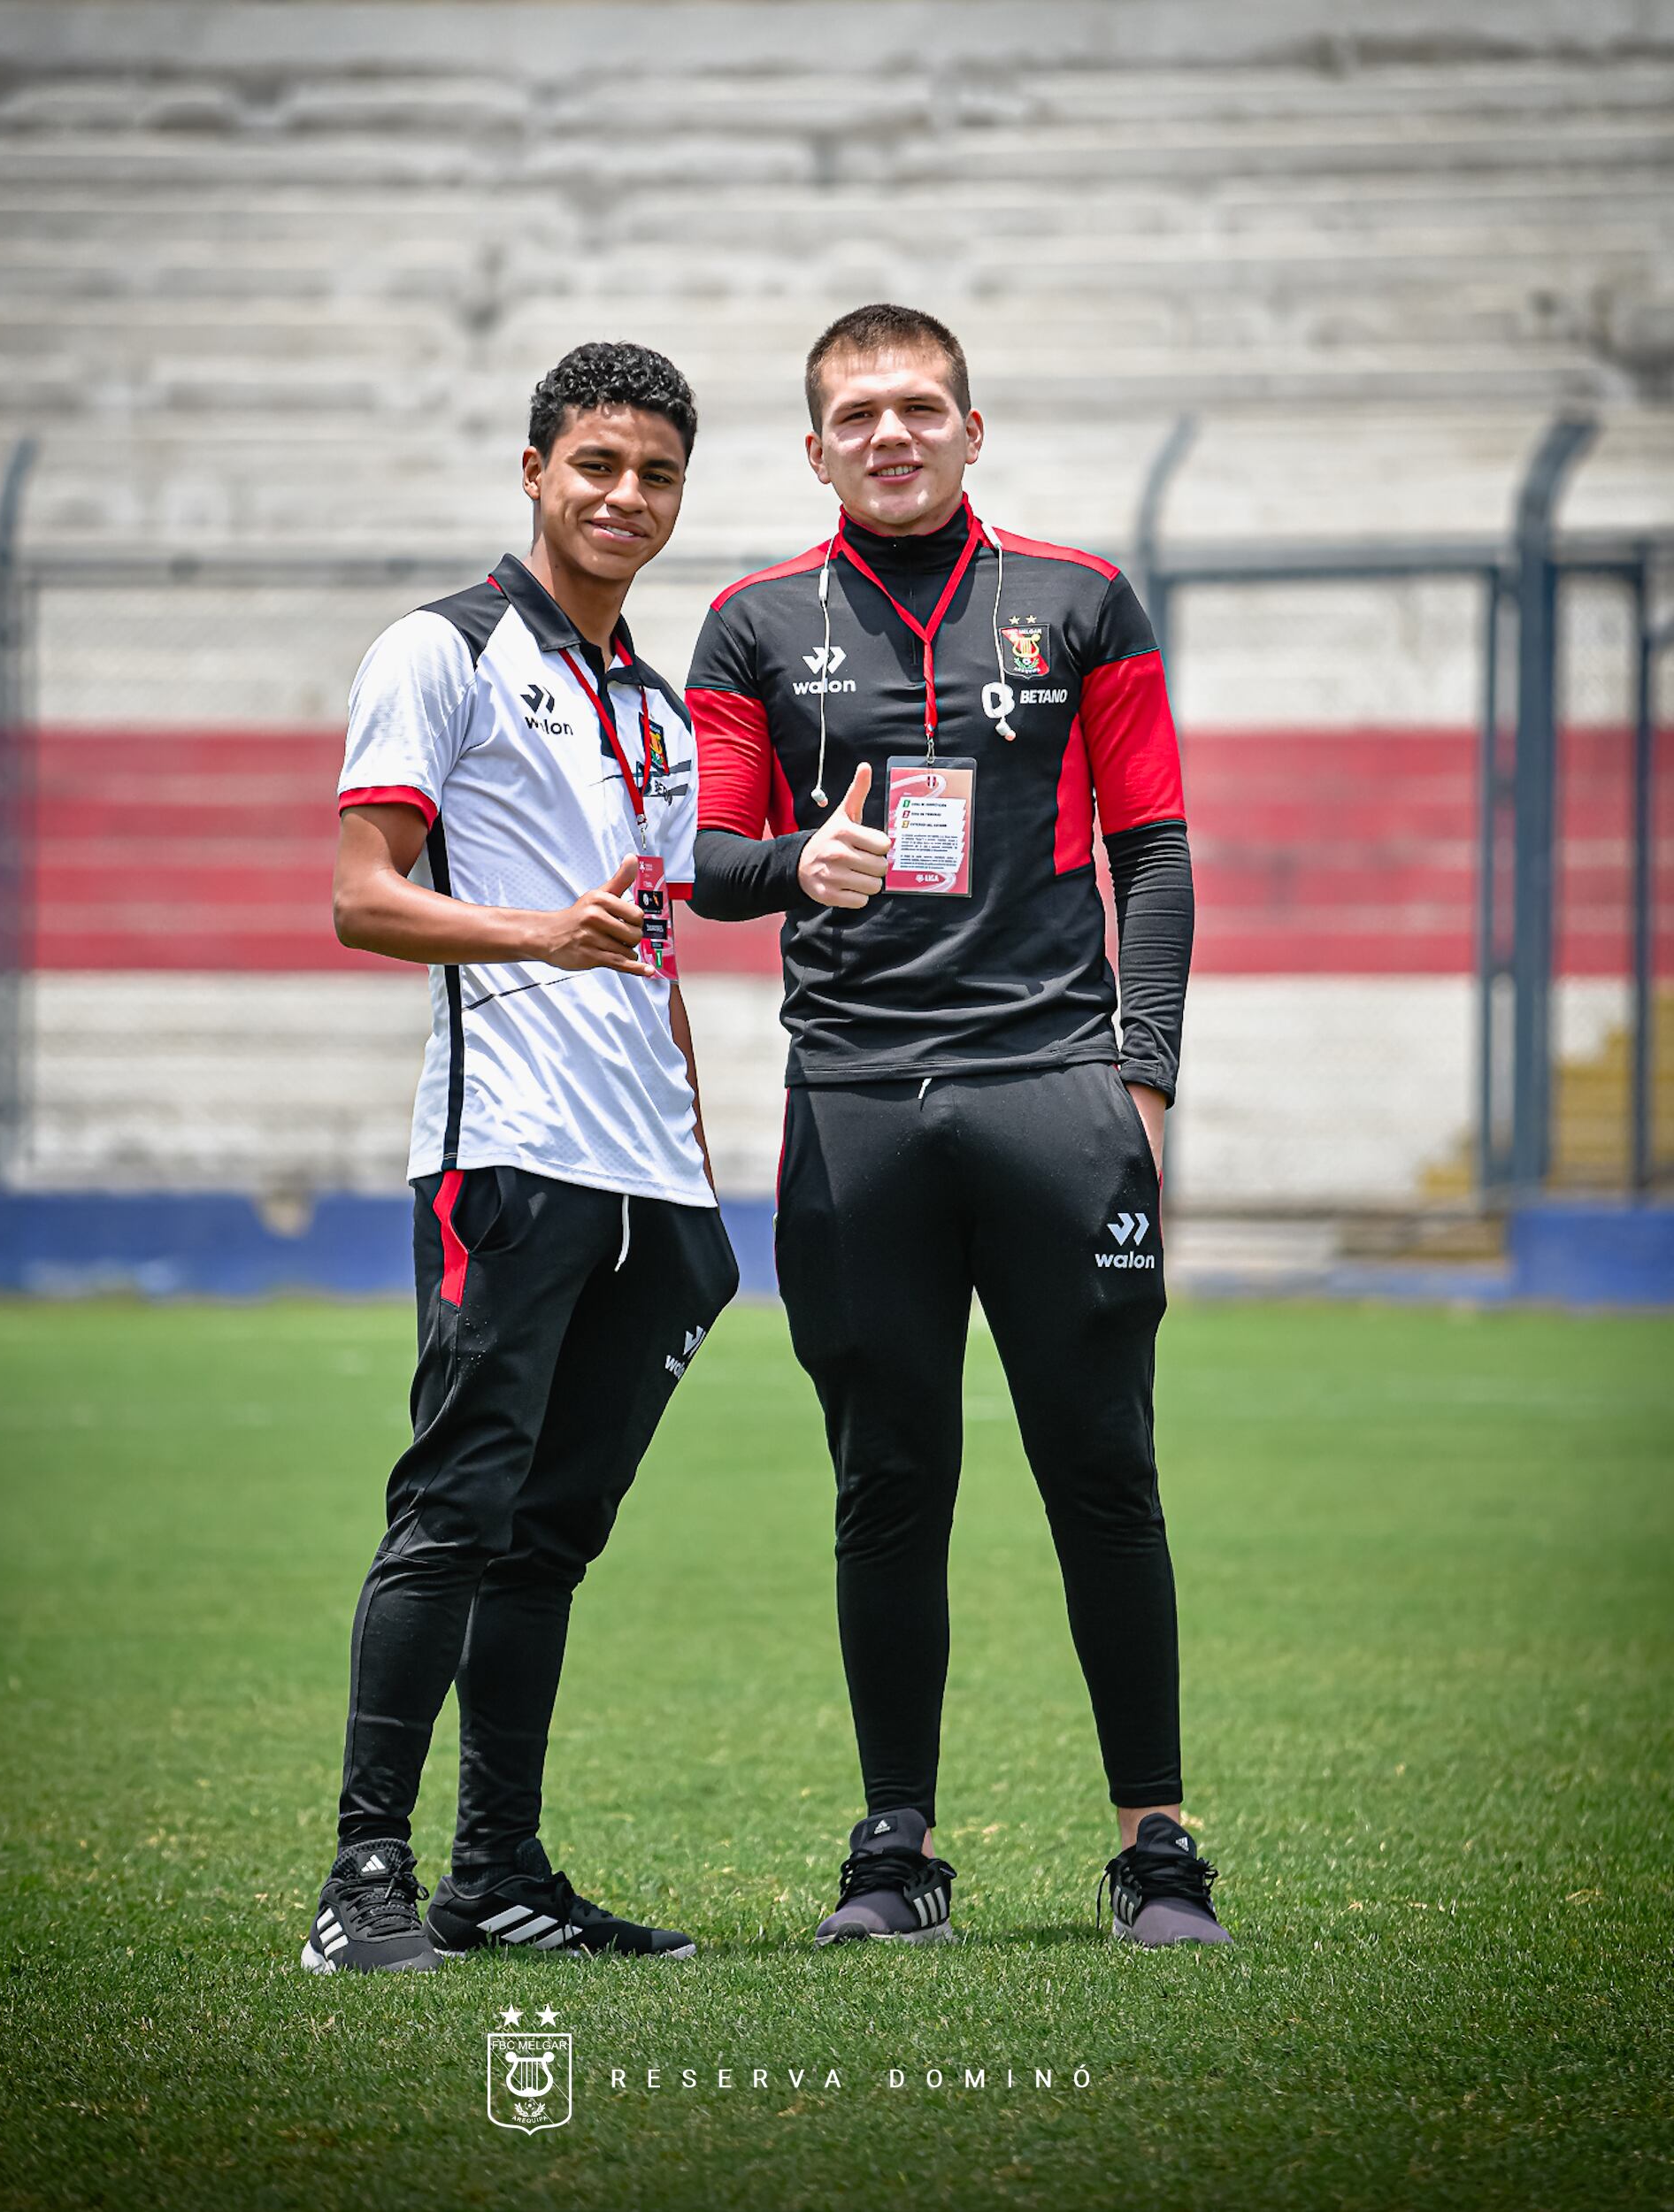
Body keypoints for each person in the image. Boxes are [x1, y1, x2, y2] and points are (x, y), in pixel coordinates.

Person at [686, 303, 1227, 1948]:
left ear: (972, 430)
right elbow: (711, 862)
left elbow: (1155, 848)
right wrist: (804, 864)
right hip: (854, 1107)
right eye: (857, 415)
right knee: (887, 1480)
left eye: (921, 407)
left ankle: (1155, 1846)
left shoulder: (1082, 604)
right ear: (815, 449)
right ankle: (895, 1853)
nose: (892, 434)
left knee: (1103, 1474)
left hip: (1054, 1096)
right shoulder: (749, 625)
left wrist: (1138, 1076)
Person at [302, 342, 738, 1974]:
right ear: (537, 470)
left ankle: (496, 1877)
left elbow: (670, 912)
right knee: (458, 1511)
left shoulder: (653, 692)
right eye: (599, 467)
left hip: (656, 1187)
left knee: (552, 1534)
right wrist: (535, 936)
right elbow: (361, 894)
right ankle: (363, 1884)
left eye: (658, 475)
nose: (627, 498)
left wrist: (819, 865)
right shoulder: (445, 648)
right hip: (508, 1158)